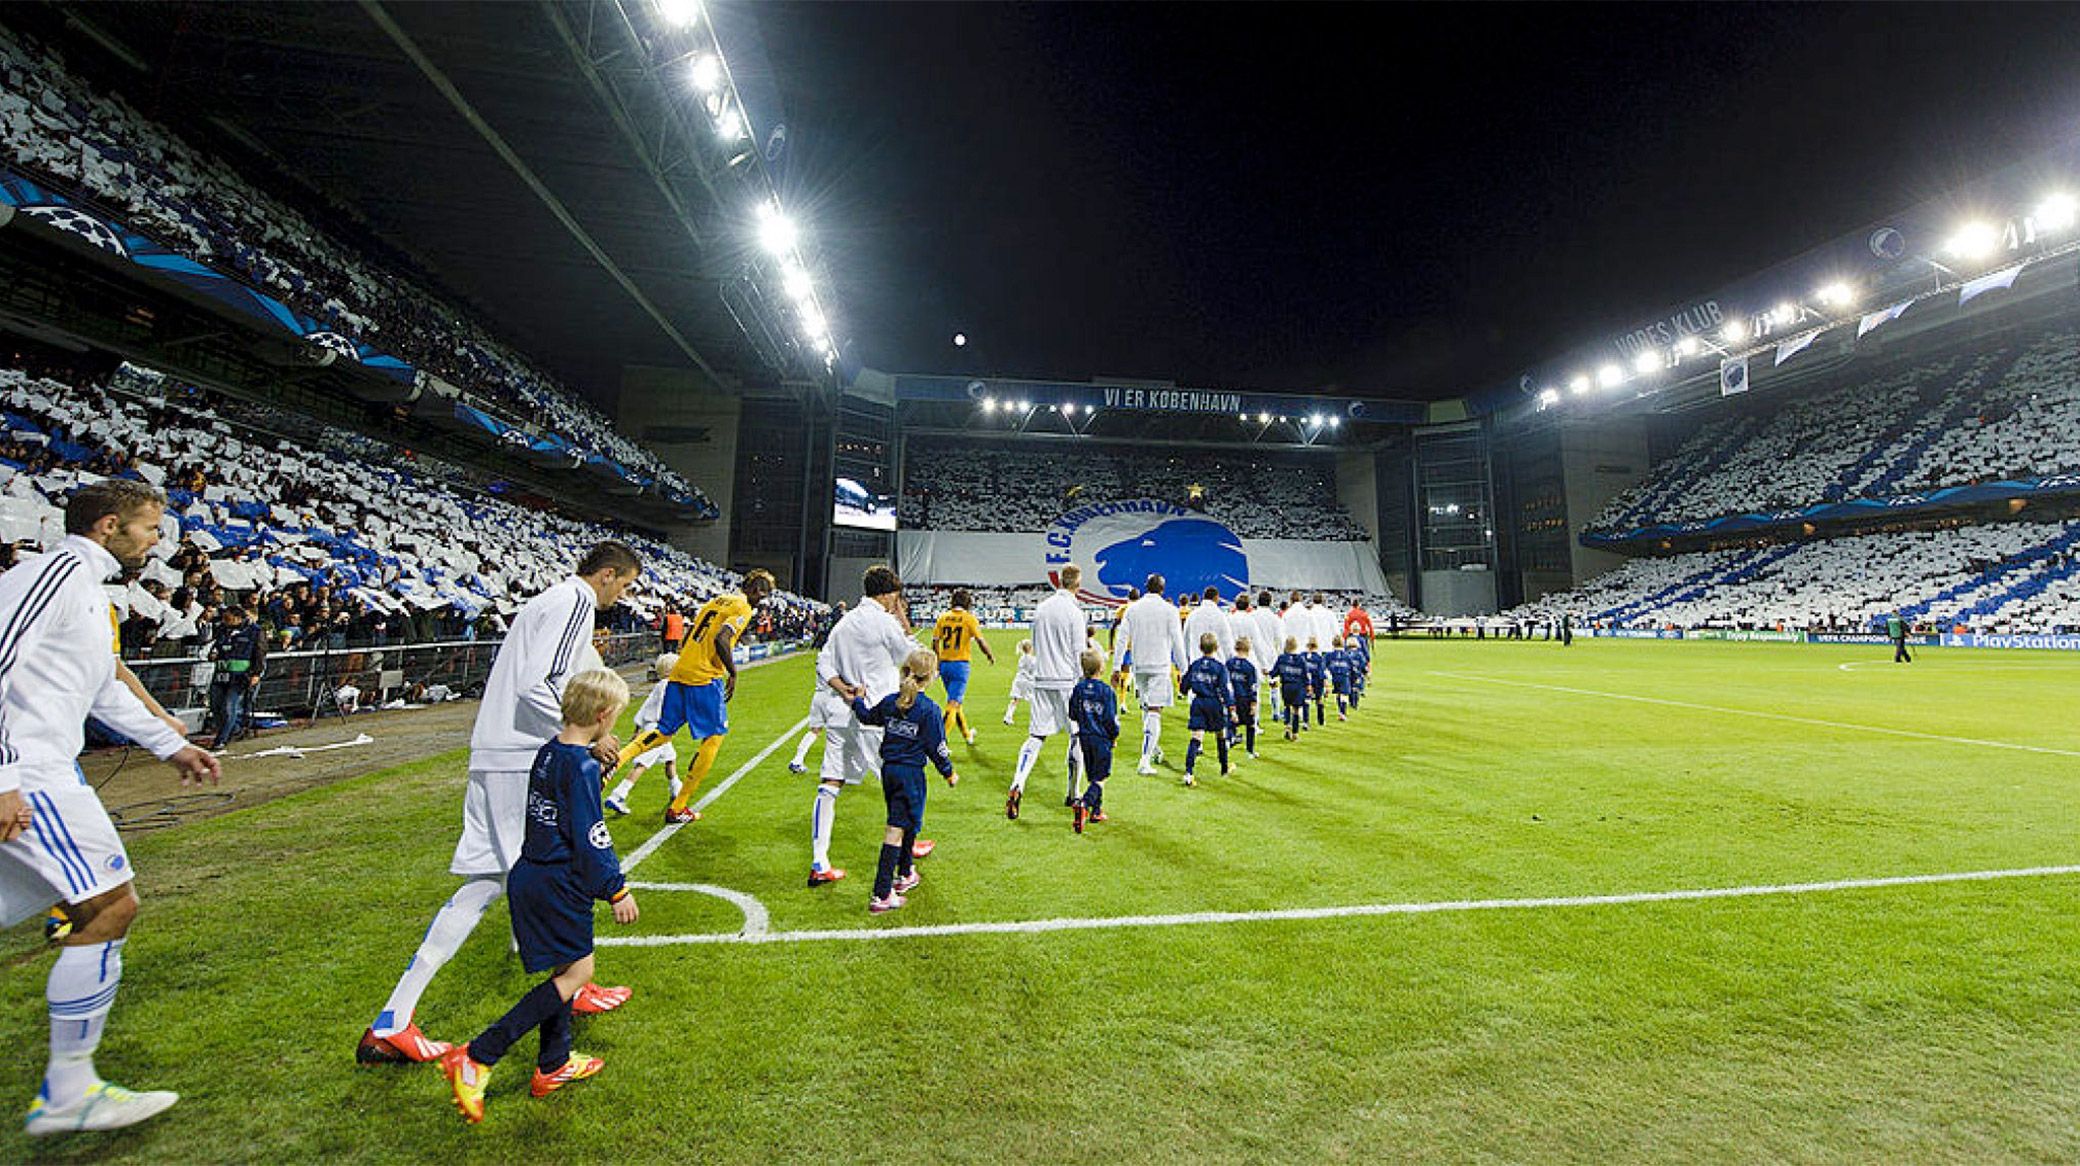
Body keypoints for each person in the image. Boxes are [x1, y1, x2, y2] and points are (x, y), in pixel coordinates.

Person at [361, 541, 641, 1066]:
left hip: (494, 752)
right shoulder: (575, 601)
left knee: (487, 882)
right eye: (623, 586)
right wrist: (579, 736)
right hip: (518, 755)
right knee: (555, 871)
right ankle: (560, 1012)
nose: (619, 597)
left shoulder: (547, 602)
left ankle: (392, 1021)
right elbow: (542, 684)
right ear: (606, 576)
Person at [1, 481, 220, 1136]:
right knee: (110, 905)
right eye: (150, 528)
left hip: (40, 769)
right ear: (108, 526)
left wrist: (169, 747)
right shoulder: (54, 573)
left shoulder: (90, 593)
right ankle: (70, 1089)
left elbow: (102, 689)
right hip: (33, 773)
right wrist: (4, 774)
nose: (157, 542)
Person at [440, 669, 639, 1124]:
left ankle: (553, 1063)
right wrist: (617, 889)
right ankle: (478, 1055)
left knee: (565, 969)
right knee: (579, 973)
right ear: (605, 715)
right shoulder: (582, 765)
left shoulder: (551, 752)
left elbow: (563, 802)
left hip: (531, 873)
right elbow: (591, 836)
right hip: (558, 881)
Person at [606, 571, 775, 824]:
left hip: (681, 670)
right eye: (762, 591)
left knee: (664, 731)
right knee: (714, 738)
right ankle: (679, 806)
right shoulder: (742, 608)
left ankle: (613, 763)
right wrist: (733, 672)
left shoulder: (718, 600)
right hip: (704, 677)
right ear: (752, 589)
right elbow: (722, 639)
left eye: (767, 593)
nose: (763, 597)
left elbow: (695, 632)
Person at [808, 565, 920, 886]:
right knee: (899, 778)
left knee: (830, 783)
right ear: (887, 594)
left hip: (841, 711)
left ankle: (819, 860)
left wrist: (842, 688)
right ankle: (908, 846)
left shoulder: (844, 623)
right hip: (876, 713)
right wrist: (901, 616)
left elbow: (823, 662)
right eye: (895, 596)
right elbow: (910, 656)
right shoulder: (883, 620)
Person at [850, 649, 958, 914]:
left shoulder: (890, 702)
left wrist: (858, 701)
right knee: (896, 829)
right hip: (911, 776)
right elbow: (938, 747)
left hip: (890, 772)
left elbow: (867, 717)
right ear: (931, 677)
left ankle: (906, 872)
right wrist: (949, 773)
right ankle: (882, 893)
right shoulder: (928, 710)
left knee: (908, 821)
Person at [1007, 564, 1090, 819]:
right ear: (1077, 584)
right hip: (1066, 680)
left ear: (1059, 582)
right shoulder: (1075, 613)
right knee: (1076, 737)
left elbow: (1035, 643)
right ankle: (1073, 792)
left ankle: (1017, 783)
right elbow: (1079, 653)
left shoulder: (1041, 608)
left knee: (1036, 737)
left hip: (1042, 679)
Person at [1113, 573, 1189, 776]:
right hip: (1159, 665)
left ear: (1146, 587)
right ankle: (1144, 760)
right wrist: (1185, 669)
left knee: (1147, 709)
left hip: (1140, 665)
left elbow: (1122, 639)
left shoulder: (1133, 609)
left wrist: (1116, 667)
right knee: (1155, 711)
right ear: (1163, 589)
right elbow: (1177, 642)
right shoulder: (1169, 611)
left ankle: (1153, 747)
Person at [603, 656, 682, 817]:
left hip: (656, 729)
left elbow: (645, 708)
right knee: (642, 764)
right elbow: (665, 710)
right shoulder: (668, 687)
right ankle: (618, 794)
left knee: (670, 758)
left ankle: (676, 788)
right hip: (657, 731)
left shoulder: (660, 686)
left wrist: (637, 729)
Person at [931, 589, 996, 746]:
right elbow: (980, 641)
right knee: (953, 704)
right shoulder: (969, 619)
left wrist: (938, 661)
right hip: (960, 665)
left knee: (955, 703)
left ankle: (967, 734)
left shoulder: (943, 618)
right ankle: (939, 743)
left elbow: (935, 641)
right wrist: (989, 654)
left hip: (944, 665)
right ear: (968, 603)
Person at [1069, 649, 1119, 833]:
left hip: (1084, 737)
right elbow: (1110, 719)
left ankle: (1096, 811)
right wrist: (1113, 737)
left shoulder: (1079, 689)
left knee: (1092, 774)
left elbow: (1072, 713)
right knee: (1101, 777)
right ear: (1101, 667)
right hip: (1101, 738)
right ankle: (1085, 804)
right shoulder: (1106, 691)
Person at [206, 604, 266, 748]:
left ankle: (221, 740)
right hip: (220, 674)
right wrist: (213, 654)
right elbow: (215, 646)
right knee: (215, 707)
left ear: (238, 618)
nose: (225, 621)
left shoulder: (255, 631)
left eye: (228, 618)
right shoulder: (221, 630)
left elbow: (260, 652)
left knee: (229, 706)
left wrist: (256, 673)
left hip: (239, 676)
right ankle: (234, 730)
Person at [1180, 633, 1234, 786]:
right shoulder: (1219, 667)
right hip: (1214, 703)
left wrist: (1183, 690)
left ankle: (1188, 772)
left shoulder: (1195, 665)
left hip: (1198, 703)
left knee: (1196, 737)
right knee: (1220, 735)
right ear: (1216, 648)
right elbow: (1225, 689)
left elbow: (1185, 684)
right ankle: (1224, 768)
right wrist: (1231, 707)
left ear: (1200, 647)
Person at [1226, 636, 1261, 760]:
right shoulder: (1249, 667)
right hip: (1244, 699)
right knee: (1250, 725)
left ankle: (1229, 740)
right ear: (1248, 648)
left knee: (1231, 722)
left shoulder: (1229, 663)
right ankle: (1250, 751)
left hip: (1231, 698)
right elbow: (1252, 687)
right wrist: (1253, 703)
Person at [1271, 637, 1310, 740]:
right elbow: (1305, 675)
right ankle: (1295, 734)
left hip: (1286, 686)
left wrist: (1268, 673)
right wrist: (1308, 686)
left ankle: (1287, 726)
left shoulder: (1282, 658)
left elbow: (1274, 672)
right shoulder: (1301, 659)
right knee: (1296, 710)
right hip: (1298, 687)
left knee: (1287, 706)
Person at [1183, 585, 1233, 664]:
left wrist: (1188, 656)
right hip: (1217, 664)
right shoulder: (1221, 616)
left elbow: (1186, 639)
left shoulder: (1193, 615)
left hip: (1196, 661)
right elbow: (1226, 642)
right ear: (1216, 598)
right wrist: (1229, 658)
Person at [1002, 639, 1035, 726]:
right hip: (1028, 681)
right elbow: (1034, 670)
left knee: (1015, 700)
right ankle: (1037, 719)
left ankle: (1008, 716)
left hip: (1018, 680)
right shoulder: (1033, 659)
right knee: (1034, 700)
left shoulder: (1022, 658)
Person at [1327, 636, 1355, 721]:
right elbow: (1352, 668)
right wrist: (1355, 677)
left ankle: (1340, 711)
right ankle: (1342, 712)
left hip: (1334, 677)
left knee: (1338, 694)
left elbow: (1323, 666)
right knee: (1344, 695)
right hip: (1344, 677)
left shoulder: (1329, 655)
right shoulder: (1347, 655)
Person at [1303, 637, 1328, 727]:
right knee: (1319, 700)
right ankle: (1321, 720)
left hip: (1305, 682)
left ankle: (1306, 722)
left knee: (1306, 700)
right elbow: (1321, 672)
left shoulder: (1302, 656)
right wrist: (1326, 684)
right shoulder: (1319, 658)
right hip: (1317, 682)